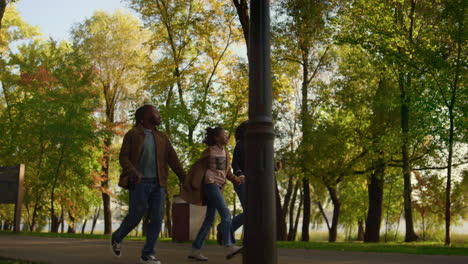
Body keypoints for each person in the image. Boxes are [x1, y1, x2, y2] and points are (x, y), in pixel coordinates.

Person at [111, 105, 186, 264]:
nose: (158, 115)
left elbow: (173, 160)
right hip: (139, 182)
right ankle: (117, 237)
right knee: (136, 215)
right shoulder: (133, 134)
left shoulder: (162, 137)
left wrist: (184, 178)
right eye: (155, 113)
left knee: (157, 218)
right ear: (144, 117)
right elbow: (123, 157)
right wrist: (133, 171)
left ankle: (147, 255)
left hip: (158, 183)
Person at [182, 126, 244, 261]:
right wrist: (192, 182)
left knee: (209, 220)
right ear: (217, 138)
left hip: (218, 187)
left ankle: (195, 250)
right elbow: (198, 167)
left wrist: (237, 179)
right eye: (224, 134)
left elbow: (225, 172)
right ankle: (228, 245)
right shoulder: (209, 151)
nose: (227, 137)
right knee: (226, 213)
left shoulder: (225, 153)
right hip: (210, 185)